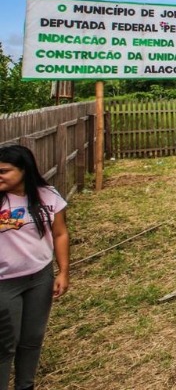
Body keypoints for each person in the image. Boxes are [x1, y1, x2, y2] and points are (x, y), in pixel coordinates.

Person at [0, 145, 70, 390]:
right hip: (4, 282)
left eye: (4, 171)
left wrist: (62, 271)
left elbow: (60, 234)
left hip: (39, 278)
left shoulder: (48, 196)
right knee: (5, 343)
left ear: (24, 171)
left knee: (31, 339)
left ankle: (25, 385)